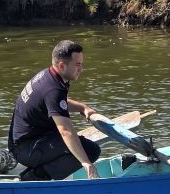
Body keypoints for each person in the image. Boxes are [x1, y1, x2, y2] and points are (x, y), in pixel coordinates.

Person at [8, 40, 101, 181]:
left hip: (29, 141)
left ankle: (40, 170)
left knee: (79, 146)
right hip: (25, 149)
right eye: (78, 65)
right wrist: (86, 162)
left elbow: (56, 103)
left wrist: (82, 107)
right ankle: (33, 178)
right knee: (90, 151)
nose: (81, 69)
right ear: (62, 66)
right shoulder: (53, 89)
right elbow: (65, 131)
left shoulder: (48, 75)